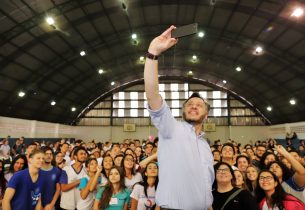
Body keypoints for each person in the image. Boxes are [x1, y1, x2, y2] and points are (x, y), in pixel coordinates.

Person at [144, 25, 214, 209]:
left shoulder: (205, 145)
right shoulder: (172, 129)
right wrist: (153, 54)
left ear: (206, 115)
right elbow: (153, 95)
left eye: (199, 105)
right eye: (190, 104)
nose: (193, 106)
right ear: (183, 112)